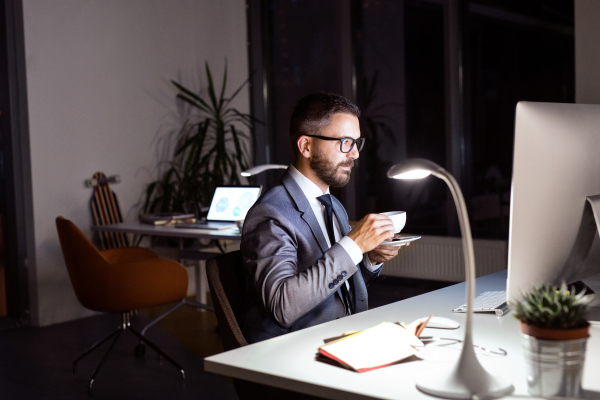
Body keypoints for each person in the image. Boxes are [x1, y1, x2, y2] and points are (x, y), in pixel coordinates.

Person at [239, 92, 405, 344]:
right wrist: (354, 245)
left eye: (356, 143)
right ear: (306, 146)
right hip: (295, 349)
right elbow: (283, 306)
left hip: (344, 337)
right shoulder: (271, 213)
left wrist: (370, 258)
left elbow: (339, 287)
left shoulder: (333, 205)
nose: (355, 154)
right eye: (345, 142)